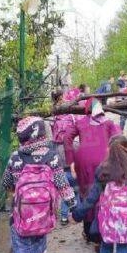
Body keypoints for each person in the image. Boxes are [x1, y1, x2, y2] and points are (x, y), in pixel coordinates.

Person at [2, 116, 76, 253]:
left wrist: (16, 189)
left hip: (19, 217)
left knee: (21, 250)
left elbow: (5, 184)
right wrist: (74, 207)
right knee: (39, 251)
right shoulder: (51, 156)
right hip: (43, 216)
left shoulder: (15, 157)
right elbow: (63, 186)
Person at [72, 135, 127, 253]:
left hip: (108, 222)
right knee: (124, 248)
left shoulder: (104, 171)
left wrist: (77, 215)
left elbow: (91, 198)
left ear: (109, 150)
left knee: (106, 246)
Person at [63, 98, 122, 244]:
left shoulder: (81, 122)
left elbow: (66, 137)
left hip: (83, 162)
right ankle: (102, 231)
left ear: (87, 110)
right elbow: (119, 138)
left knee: (86, 194)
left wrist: (71, 160)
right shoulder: (108, 123)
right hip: (105, 160)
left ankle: (89, 233)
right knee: (104, 193)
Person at [50, 90, 80, 226]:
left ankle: (63, 216)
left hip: (57, 147)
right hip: (70, 146)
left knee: (63, 181)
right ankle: (76, 212)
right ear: (62, 96)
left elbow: (51, 131)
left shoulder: (52, 113)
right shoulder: (70, 110)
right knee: (75, 181)